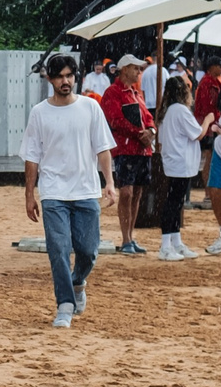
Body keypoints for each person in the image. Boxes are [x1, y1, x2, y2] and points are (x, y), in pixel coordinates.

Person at [20, 53, 116, 329]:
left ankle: (77, 282)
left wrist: (109, 182)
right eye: (60, 76)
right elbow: (32, 157)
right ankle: (64, 304)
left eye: (69, 76)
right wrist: (30, 195)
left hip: (86, 189)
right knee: (58, 249)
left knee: (88, 251)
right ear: (50, 78)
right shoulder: (39, 112)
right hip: (53, 192)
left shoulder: (90, 108)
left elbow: (103, 148)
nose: (66, 81)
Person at [100, 55, 153, 255]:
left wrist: (150, 131)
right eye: (136, 69)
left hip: (139, 148)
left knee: (136, 192)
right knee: (128, 192)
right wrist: (143, 133)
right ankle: (126, 238)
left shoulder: (134, 92)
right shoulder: (114, 92)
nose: (139, 72)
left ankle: (129, 237)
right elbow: (114, 119)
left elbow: (148, 117)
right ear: (124, 70)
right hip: (127, 148)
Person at [193, 56, 221, 255]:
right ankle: (207, 193)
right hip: (213, 128)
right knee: (209, 161)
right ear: (212, 67)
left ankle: (209, 193)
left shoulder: (212, 83)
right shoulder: (209, 84)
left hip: (214, 127)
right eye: (220, 65)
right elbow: (206, 107)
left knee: (209, 162)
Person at [155, 73, 202, 261]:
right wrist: (207, 120)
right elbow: (197, 133)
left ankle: (175, 242)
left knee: (175, 202)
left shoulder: (166, 110)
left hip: (175, 161)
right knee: (173, 203)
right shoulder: (180, 110)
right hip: (180, 162)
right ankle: (166, 245)